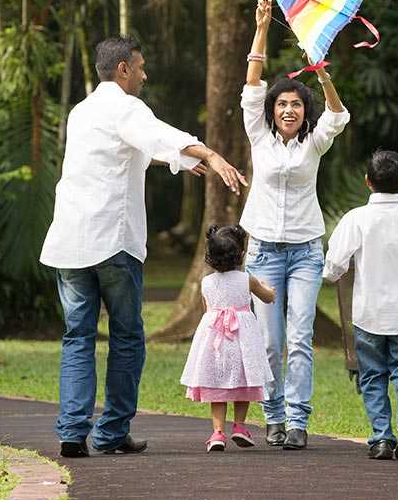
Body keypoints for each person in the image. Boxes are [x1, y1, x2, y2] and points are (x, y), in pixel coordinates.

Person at [40, 35, 247, 458]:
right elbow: (154, 134)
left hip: (70, 241)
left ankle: (71, 432)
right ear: (122, 69)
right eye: (141, 67)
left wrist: (183, 161)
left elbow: (127, 150)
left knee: (77, 337)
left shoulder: (82, 112)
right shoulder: (126, 107)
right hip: (112, 242)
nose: (145, 74)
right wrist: (209, 153)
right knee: (128, 337)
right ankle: (112, 432)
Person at [241, 0, 350, 450]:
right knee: (269, 342)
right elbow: (252, 85)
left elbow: (338, 115)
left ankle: (299, 421)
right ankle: (274, 417)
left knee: (300, 337)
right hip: (263, 251)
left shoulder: (314, 144)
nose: (289, 110)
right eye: (282, 104)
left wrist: (321, 73)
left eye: (296, 105)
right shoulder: (258, 136)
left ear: (304, 111)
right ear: (272, 111)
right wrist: (263, 27)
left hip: (306, 251)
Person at [323, 149, 398, 462]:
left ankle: (381, 439)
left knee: (372, 375)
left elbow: (334, 265)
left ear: (367, 181)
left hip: (368, 315)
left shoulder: (356, 218)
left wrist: (332, 273)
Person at [180, 224, 276, 452]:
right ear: (241, 254)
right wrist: (268, 288)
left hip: (215, 339)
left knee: (218, 385)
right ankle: (240, 427)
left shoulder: (206, 282)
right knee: (243, 381)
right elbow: (267, 297)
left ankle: (217, 433)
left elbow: (208, 309)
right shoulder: (247, 279)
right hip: (242, 339)